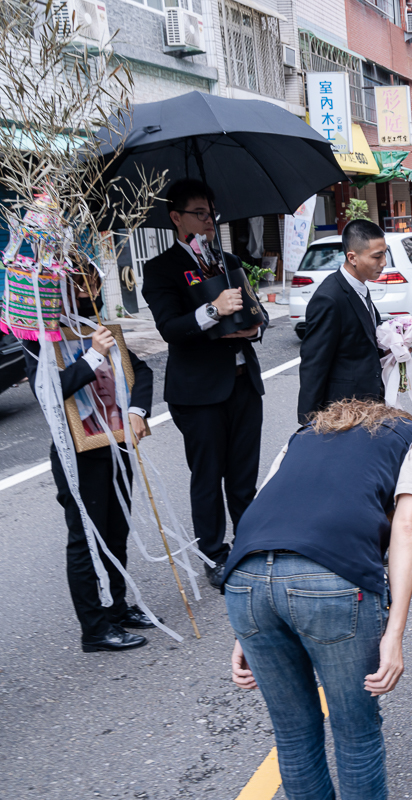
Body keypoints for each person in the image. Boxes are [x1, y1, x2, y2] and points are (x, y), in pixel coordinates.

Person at [223, 399, 412, 800]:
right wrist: (394, 633)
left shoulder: (302, 437)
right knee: (355, 731)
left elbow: (263, 513)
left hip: (246, 580)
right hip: (330, 577)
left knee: (293, 733)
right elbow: (410, 527)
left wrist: (245, 633)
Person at [24, 269, 157, 652]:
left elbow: (140, 371)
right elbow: (47, 393)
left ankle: (116, 608)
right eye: (79, 283)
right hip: (78, 454)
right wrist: (94, 354)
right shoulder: (41, 335)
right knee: (85, 540)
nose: (88, 291)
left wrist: (137, 411)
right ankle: (94, 629)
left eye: (93, 283)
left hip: (115, 442)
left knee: (116, 532)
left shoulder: (94, 324)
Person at [142, 179, 263, 588]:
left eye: (211, 213)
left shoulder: (229, 261)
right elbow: (170, 328)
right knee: (208, 474)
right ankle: (214, 553)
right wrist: (213, 310)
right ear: (176, 217)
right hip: (198, 393)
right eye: (199, 213)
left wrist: (251, 327)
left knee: (244, 473)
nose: (209, 221)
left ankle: (248, 543)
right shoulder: (161, 269)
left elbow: (255, 314)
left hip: (244, 381)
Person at [297, 219, 389, 424]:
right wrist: (309, 422)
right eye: (377, 256)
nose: (383, 262)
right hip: (343, 411)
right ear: (352, 257)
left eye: (385, 253)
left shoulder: (359, 286)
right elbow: (314, 363)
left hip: (368, 406)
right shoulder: (329, 298)